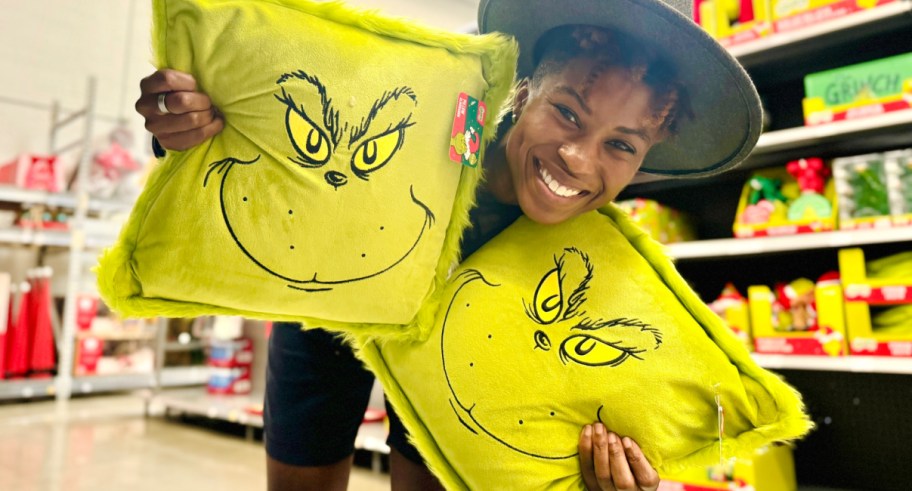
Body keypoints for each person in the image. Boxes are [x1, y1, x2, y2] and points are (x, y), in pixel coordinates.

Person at [134, 0, 761, 490]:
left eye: (621, 145)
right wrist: (189, 123)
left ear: (645, 158)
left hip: (461, 350)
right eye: (566, 112)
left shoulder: (591, 248)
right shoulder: (442, 114)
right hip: (330, 312)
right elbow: (288, 123)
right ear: (522, 92)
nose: (578, 158)